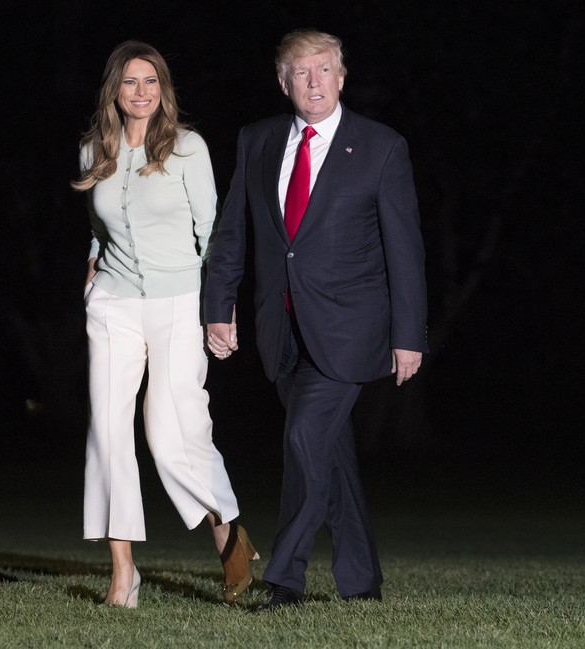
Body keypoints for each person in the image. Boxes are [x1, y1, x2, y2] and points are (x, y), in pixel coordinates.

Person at [204, 29, 428, 609]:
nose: (314, 82)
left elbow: (404, 250)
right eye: (301, 72)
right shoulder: (257, 141)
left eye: (324, 70)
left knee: (304, 438)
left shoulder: (380, 147)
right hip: (280, 330)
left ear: (342, 76)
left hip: (351, 330)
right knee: (328, 453)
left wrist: (409, 336)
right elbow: (232, 233)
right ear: (284, 82)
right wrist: (218, 308)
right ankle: (360, 581)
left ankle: (285, 578)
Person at [73, 40, 256, 608]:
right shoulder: (91, 152)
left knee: (172, 432)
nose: (142, 92)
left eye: (151, 81)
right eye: (131, 82)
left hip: (179, 300)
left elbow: (213, 231)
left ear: (163, 89)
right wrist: (90, 272)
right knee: (108, 431)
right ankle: (124, 573)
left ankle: (229, 532)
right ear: (115, 91)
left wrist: (218, 309)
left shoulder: (187, 149)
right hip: (113, 305)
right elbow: (100, 228)